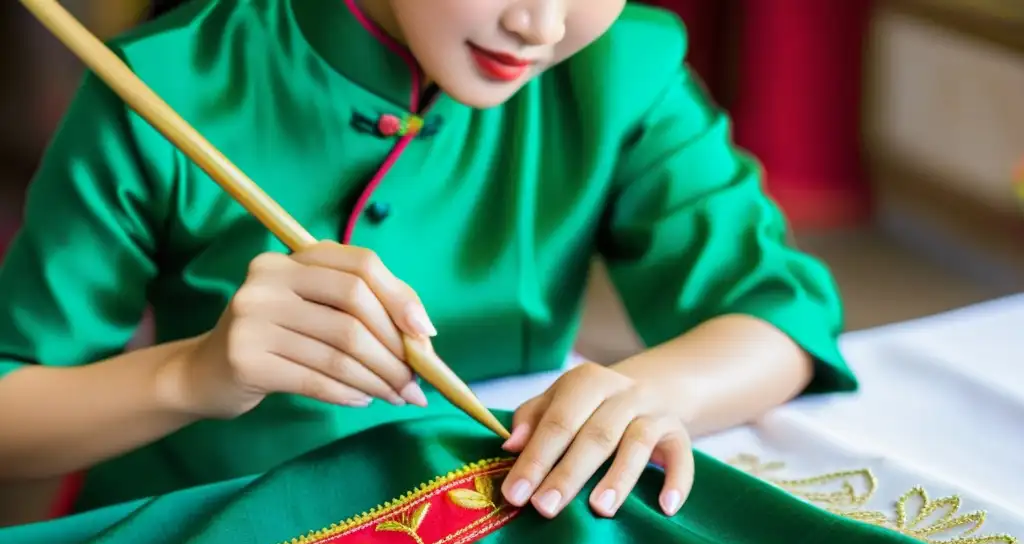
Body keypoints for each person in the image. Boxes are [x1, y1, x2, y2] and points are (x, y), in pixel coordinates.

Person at [0, 0, 855, 517]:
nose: (542, 25)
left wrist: (650, 392)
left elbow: (782, 314)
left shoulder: (620, 66)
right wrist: (194, 374)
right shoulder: (165, 82)